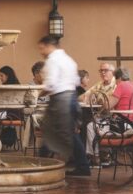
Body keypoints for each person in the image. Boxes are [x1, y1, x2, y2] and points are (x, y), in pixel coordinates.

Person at [36, 35, 92, 177]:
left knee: (57, 131)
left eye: (42, 48)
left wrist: (37, 94)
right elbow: (75, 82)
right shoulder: (68, 60)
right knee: (61, 131)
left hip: (61, 100)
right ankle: (42, 161)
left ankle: (40, 162)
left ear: (49, 46)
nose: (41, 52)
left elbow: (51, 84)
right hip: (71, 97)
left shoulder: (52, 61)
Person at [81, 62, 118, 163]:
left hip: (113, 117)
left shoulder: (116, 85)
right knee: (89, 125)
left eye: (105, 70)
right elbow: (84, 96)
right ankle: (95, 155)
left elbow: (109, 103)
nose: (102, 73)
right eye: (101, 71)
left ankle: (99, 154)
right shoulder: (99, 84)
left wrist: (97, 100)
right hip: (100, 116)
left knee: (92, 125)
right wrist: (88, 98)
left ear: (112, 72)